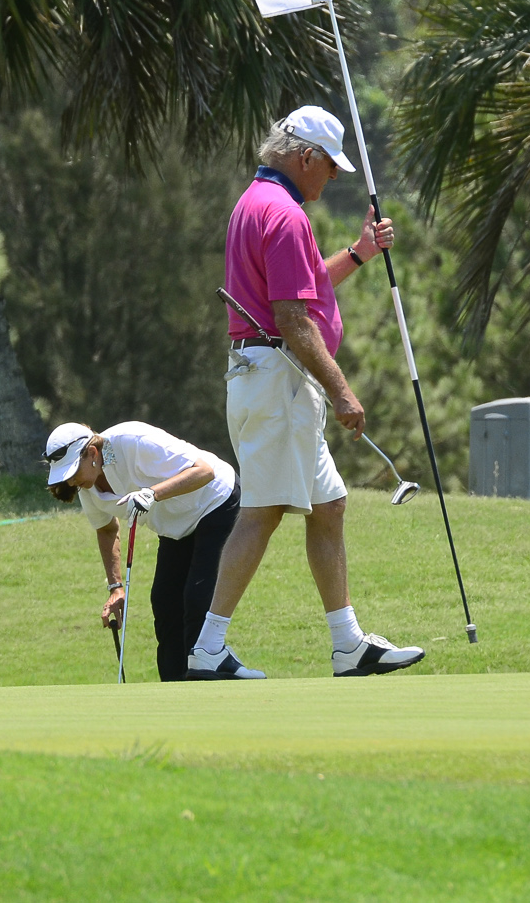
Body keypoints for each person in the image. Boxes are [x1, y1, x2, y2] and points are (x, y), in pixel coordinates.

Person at [188, 106, 426, 681]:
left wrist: (362, 252)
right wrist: (341, 391)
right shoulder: (286, 214)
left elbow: (304, 282)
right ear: (305, 158)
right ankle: (208, 650)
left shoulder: (255, 203)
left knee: (329, 505)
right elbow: (294, 318)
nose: (335, 179)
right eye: (330, 168)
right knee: (262, 512)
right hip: (279, 383)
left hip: (270, 381)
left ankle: (348, 645)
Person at [44, 420, 240, 681]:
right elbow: (106, 529)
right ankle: (173, 689)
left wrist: (152, 493)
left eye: (71, 470)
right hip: (174, 526)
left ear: (92, 454)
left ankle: (209, 683)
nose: (70, 481)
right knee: (164, 604)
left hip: (216, 502)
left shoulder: (133, 440)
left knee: (197, 600)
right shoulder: (87, 486)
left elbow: (204, 472)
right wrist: (116, 588)